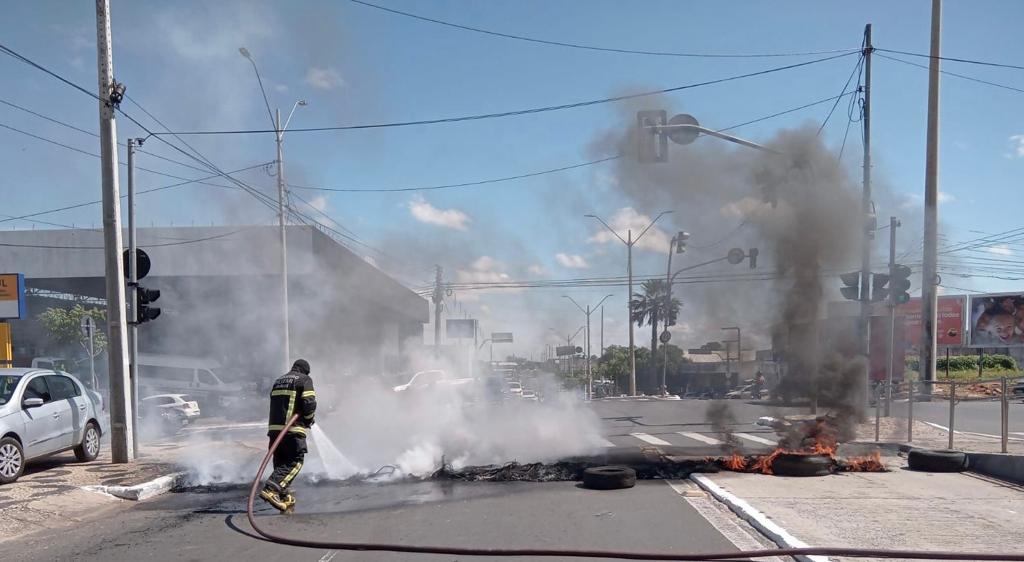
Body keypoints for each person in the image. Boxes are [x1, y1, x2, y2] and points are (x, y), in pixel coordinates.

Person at [259, 359, 316, 513]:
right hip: (292, 430)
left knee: (281, 464)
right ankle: (271, 489)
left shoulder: (278, 381)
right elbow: (309, 403)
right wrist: (309, 419)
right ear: (305, 371)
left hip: (275, 432)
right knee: (295, 462)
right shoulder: (304, 379)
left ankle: (284, 497)